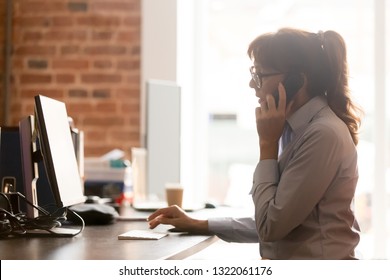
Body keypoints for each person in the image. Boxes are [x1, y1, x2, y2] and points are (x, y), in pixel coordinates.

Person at [148, 27, 362, 260]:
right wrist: (199, 223)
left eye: (260, 74)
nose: (252, 84)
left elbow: (271, 226)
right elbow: (274, 216)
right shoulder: (296, 130)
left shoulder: (322, 134)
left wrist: (267, 144)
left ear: (296, 81)